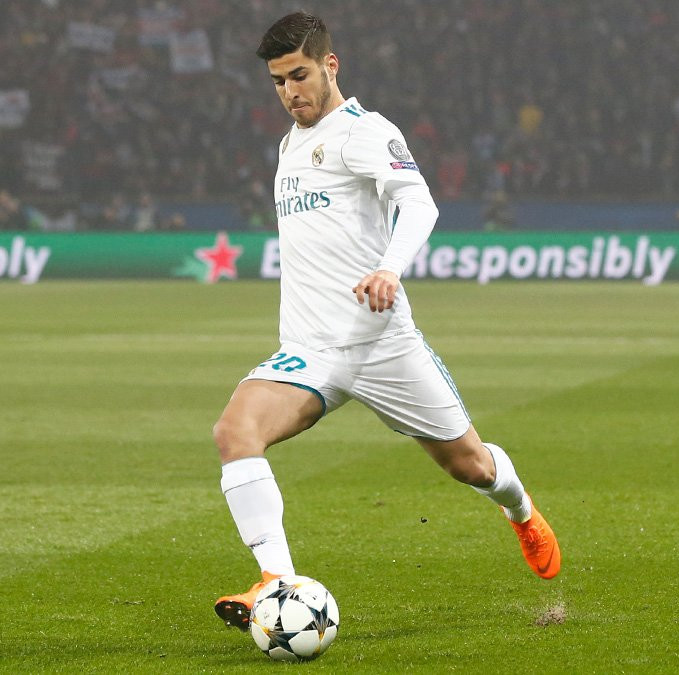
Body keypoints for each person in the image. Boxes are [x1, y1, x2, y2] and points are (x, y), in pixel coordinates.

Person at [212, 12, 561, 631]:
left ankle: (522, 511)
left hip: (382, 345)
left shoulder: (364, 132)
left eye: (300, 75)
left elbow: (418, 203)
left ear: (331, 65)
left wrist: (389, 268)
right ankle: (278, 582)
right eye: (278, 81)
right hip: (311, 350)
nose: (290, 92)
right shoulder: (289, 146)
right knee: (235, 432)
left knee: (471, 466)